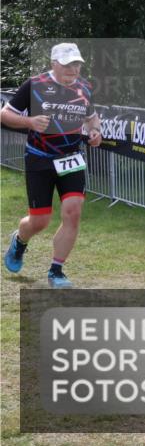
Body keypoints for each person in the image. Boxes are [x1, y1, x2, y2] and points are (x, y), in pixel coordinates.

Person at [1, 43, 102, 288]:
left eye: (77, 64)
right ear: (54, 64)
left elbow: (91, 117)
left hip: (71, 158)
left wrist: (96, 131)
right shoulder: (34, 85)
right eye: (68, 65)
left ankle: (56, 271)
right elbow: (4, 114)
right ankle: (20, 241)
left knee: (73, 211)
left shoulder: (84, 88)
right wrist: (30, 122)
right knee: (40, 221)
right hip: (39, 157)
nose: (73, 69)